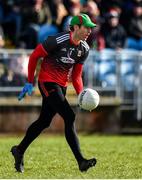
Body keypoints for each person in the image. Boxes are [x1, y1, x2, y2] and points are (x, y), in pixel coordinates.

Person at [10, 13, 97, 173]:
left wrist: (81, 95)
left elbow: (77, 76)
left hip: (61, 85)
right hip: (47, 81)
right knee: (69, 116)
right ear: (76, 27)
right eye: (87, 27)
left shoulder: (84, 49)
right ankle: (81, 161)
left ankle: (19, 150)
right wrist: (29, 81)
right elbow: (35, 56)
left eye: (91, 28)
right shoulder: (57, 40)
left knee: (44, 121)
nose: (90, 31)